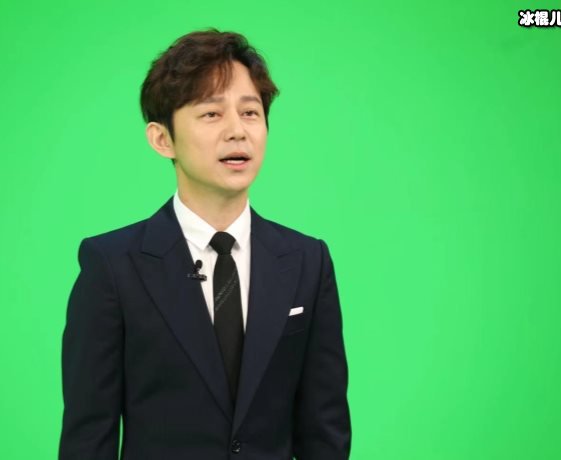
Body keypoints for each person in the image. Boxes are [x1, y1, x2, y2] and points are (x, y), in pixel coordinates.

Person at [59, 29, 351, 460]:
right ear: (162, 139)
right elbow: (88, 436)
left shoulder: (307, 261)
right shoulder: (113, 266)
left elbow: (325, 430)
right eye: (211, 113)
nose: (237, 131)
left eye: (250, 112)